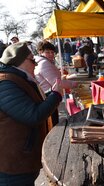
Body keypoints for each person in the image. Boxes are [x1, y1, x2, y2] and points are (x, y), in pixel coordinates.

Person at [0, 42, 62, 185]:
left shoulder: (18, 79)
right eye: (32, 60)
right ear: (20, 61)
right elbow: (33, 115)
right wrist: (56, 94)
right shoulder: (6, 84)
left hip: (21, 160)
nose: (35, 64)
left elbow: (30, 104)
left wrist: (52, 94)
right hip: (12, 165)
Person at [34, 40, 78, 125]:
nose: (51, 54)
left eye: (52, 52)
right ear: (40, 52)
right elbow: (57, 82)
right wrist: (74, 84)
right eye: (47, 52)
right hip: (49, 95)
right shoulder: (44, 63)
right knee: (52, 121)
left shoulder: (41, 62)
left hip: (46, 95)